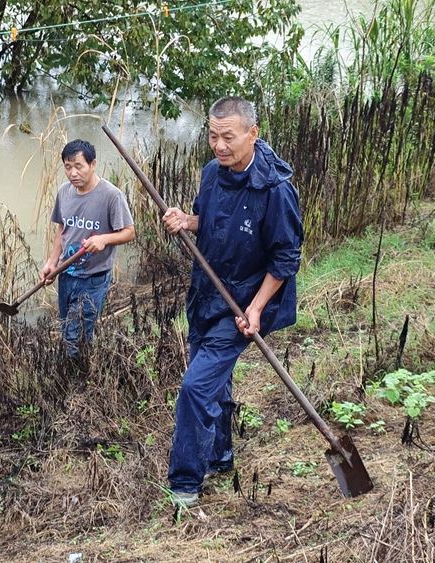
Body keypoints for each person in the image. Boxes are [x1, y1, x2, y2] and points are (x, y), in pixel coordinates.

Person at [161, 96, 303, 507]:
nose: (219, 145)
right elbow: (214, 222)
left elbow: (285, 259)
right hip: (206, 293)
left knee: (195, 388)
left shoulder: (276, 190)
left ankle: (185, 483)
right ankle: (220, 456)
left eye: (228, 137)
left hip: (242, 303)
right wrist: (186, 222)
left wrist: (256, 308)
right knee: (214, 383)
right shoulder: (211, 173)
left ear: (252, 134)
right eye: (212, 136)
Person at [42, 139, 136, 358]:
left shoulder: (111, 196)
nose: (73, 172)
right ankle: (73, 369)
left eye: (78, 166)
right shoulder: (65, 192)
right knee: (67, 327)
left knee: (78, 334)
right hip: (66, 273)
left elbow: (129, 232)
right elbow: (61, 229)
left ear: (93, 164)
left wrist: (104, 239)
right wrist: (51, 263)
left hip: (94, 277)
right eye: (68, 166)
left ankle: (78, 379)